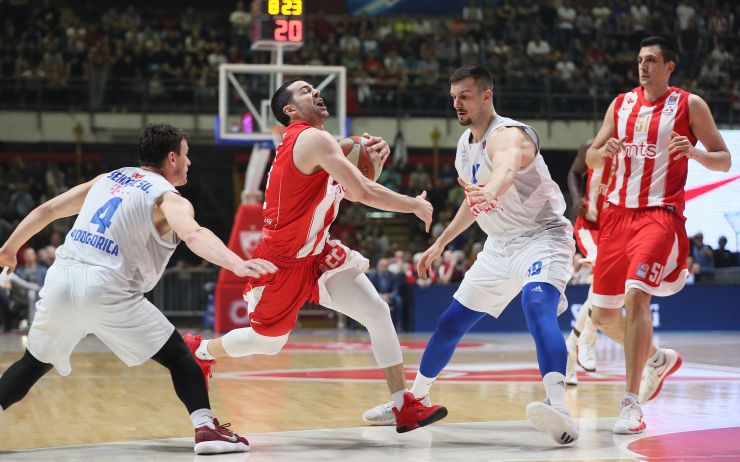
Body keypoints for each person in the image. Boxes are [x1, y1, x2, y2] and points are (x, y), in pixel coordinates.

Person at [185, 78, 448, 434]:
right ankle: (200, 350)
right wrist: (413, 204)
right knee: (268, 343)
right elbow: (361, 190)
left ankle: (403, 404)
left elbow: (349, 188)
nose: (316, 92)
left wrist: (371, 160)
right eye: (305, 91)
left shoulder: (319, 145)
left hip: (318, 254)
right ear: (291, 110)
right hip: (282, 261)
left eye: (314, 88)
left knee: (376, 310)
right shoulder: (311, 139)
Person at [0, 123, 279, 455]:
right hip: (107, 288)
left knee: (33, 363)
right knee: (180, 356)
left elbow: (47, 210)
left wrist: (10, 248)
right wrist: (236, 263)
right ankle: (206, 429)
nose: (189, 162)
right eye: (187, 155)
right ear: (172, 158)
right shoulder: (168, 198)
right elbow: (194, 234)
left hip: (62, 279)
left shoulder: (108, 179)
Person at [363, 65, 578, 445]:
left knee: (536, 303)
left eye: (464, 96)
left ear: (486, 95)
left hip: (543, 236)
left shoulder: (509, 134)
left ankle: (558, 406)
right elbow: (472, 201)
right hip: (499, 245)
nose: (457, 104)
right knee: (450, 323)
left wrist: (491, 190)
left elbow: (506, 170)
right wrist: (440, 243)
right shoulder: (465, 145)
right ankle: (415, 400)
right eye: (453, 98)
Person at [586, 36, 731, 435]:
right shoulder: (621, 104)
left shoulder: (689, 104)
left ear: (669, 66)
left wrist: (696, 153)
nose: (643, 66)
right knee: (602, 316)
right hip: (616, 215)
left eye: (651, 60)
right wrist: (603, 152)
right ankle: (656, 358)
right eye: (639, 60)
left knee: (637, 296)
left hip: (658, 213)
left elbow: (724, 160)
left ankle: (630, 404)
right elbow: (592, 156)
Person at [563, 138, 601, 385]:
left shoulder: (635, 151)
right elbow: (573, 173)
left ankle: (571, 347)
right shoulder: (590, 146)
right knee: (603, 277)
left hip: (615, 228)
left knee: (603, 289)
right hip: (589, 225)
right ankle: (586, 339)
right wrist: (576, 198)